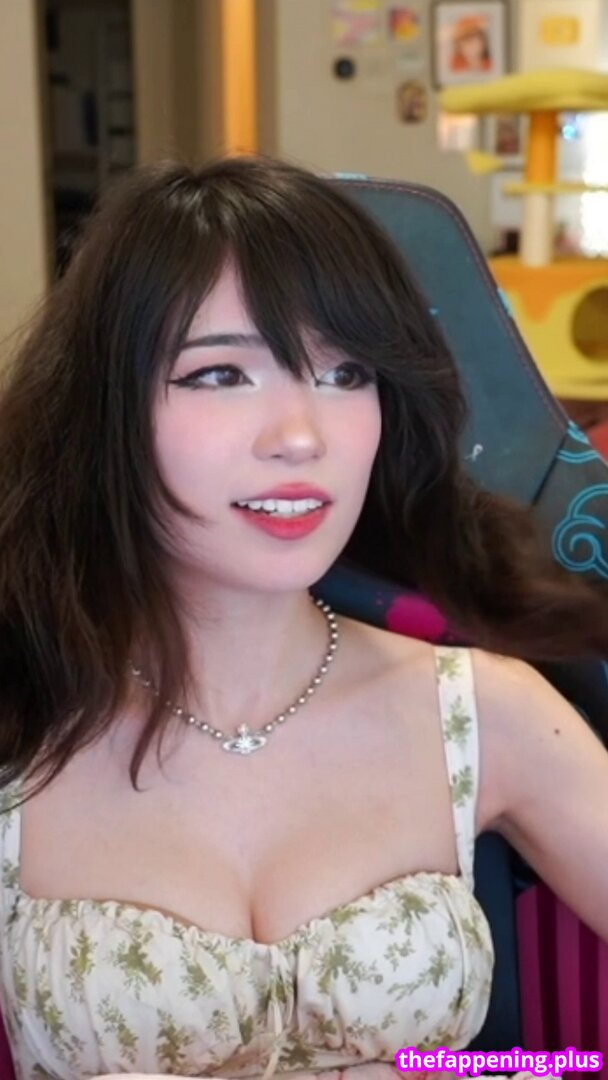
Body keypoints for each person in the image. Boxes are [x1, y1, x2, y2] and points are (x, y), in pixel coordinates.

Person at [0, 155, 607, 1080]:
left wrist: (490, 1075)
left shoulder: (484, 713)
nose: (301, 436)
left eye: (345, 372)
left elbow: (559, 1065)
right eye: (219, 374)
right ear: (106, 412)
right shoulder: (24, 716)